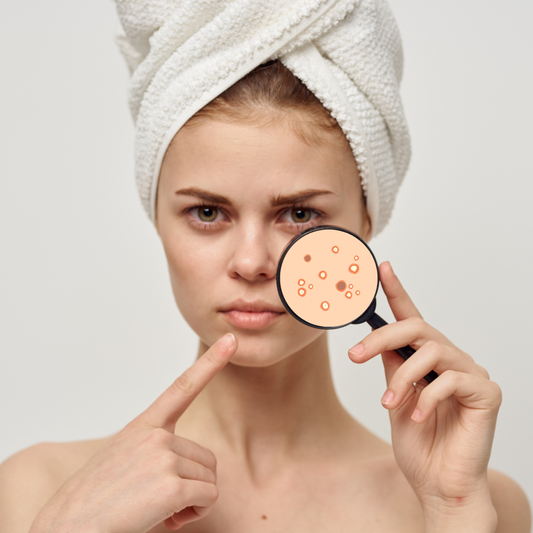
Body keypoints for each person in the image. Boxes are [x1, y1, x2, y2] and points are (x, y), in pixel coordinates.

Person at [0, 2, 531, 532]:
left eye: (299, 214)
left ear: (366, 220)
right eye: (207, 213)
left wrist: (453, 512)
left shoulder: (473, 499)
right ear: (156, 217)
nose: (253, 263)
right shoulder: (42, 490)